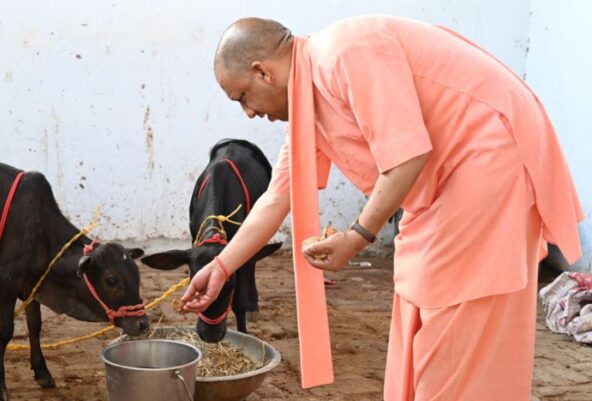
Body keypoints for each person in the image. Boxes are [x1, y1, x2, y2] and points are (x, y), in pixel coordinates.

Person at [180, 15, 583, 400]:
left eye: (243, 97)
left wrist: (357, 236)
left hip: (490, 159)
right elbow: (278, 196)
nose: (249, 113)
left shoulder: (344, 52)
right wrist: (221, 267)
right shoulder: (309, 100)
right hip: (446, 182)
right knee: (418, 292)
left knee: (456, 314)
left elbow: (407, 156)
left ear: (262, 72)